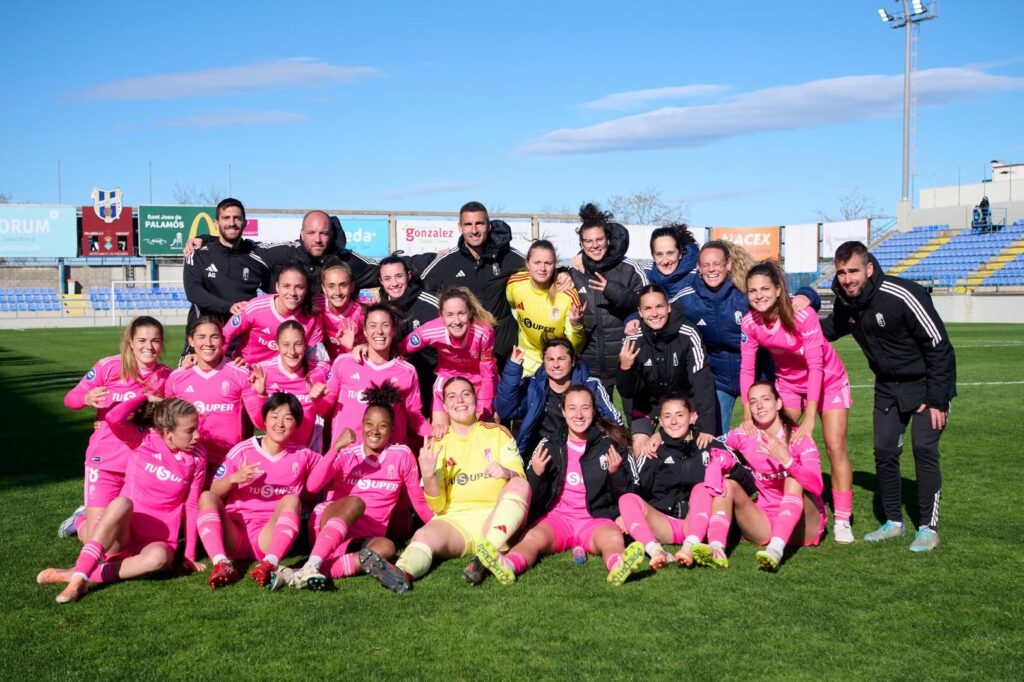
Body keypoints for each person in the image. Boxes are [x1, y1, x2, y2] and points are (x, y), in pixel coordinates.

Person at [822, 241, 956, 552]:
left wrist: (937, 398)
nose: (847, 278)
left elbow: (939, 347)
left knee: (923, 449)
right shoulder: (846, 300)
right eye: (841, 272)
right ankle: (893, 522)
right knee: (884, 451)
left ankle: (928, 527)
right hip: (887, 385)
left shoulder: (902, 295)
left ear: (868, 268)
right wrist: (794, 326)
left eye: (853, 270)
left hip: (925, 385)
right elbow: (832, 327)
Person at [358, 377, 531, 594]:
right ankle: (400, 572)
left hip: (494, 519)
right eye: (452, 396)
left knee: (519, 486)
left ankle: (485, 553)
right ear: (446, 407)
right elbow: (438, 506)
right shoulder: (437, 442)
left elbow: (520, 479)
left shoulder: (497, 433)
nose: (460, 400)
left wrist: (506, 472)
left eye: (466, 393)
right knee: (423, 535)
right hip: (456, 522)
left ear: (476, 400)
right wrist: (429, 475)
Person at [38, 396, 205, 603]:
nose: (197, 435)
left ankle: (70, 574)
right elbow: (113, 417)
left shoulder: (198, 458)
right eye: (189, 431)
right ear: (168, 433)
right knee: (121, 503)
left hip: (155, 542)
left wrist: (189, 554)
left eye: (196, 428)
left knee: (159, 560)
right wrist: (143, 396)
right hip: (123, 534)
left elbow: (191, 505)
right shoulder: (143, 441)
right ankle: (77, 580)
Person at [474, 385, 645, 586]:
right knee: (532, 538)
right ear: (563, 412)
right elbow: (534, 498)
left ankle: (619, 565)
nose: (579, 415)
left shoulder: (610, 445)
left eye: (585, 408)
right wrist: (537, 474)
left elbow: (630, 494)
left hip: (595, 519)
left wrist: (615, 474)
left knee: (612, 538)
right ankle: (508, 565)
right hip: (558, 519)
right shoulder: (550, 444)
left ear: (593, 410)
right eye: (572, 408)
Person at [270, 384, 435, 590]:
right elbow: (312, 486)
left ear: (392, 430)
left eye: (382, 426)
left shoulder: (402, 455)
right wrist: (335, 448)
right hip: (327, 524)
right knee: (356, 503)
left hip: (363, 537)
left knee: (387, 547)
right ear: (362, 424)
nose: (374, 431)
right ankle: (312, 564)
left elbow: (417, 500)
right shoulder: (348, 453)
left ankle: (297, 574)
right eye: (369, 424)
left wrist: (438, 526)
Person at [740, 260, 855, 544]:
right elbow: (746, 369)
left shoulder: (803, 315)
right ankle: (790, 504)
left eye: (765, 288)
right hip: (789, 385)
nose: (758, 295)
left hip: (828, 380)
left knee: (834, 445)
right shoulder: (749, 322)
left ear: (779, 290)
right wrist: (746, 413)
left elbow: (816, 366)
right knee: (784, 444)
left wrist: (810, 416)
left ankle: (842, 519)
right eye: (752, 291)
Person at [58, 316, 172, 542]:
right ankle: (79, 520)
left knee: (132, 538)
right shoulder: (108, 366)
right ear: (130, 341)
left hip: (141, 464)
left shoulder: (167, 376)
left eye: (155, 341)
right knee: (99, 541)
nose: (148, 347)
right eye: (141, 340)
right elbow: (70, 399)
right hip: (105, 461)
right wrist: (87, 397)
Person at [695, 381, 827, 572]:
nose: (759, 406)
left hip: (804, 526)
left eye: (765, 399)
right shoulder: (745, 435)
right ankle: (716, 548)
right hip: (764, 522)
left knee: (793, 479)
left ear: (778, 403)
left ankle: (775, 549)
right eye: (753, 401)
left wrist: (788, 461)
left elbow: (817, 487)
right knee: (729, 485)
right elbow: (712, 444)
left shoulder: (800, 438)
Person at [617, 392, 756, 569]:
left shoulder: (710, 445)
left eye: (679, 415)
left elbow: (749, 484)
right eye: (667, 416)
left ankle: (690, 546)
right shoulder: (653, 450)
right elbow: (636, 488)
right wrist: (626, 514)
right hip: (665, 523)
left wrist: (731, 468)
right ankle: (656, 551)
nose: (673, 421)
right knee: (626, 500)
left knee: (701, 488)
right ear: (661, 420)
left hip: (700, 523)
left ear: (692, 418)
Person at [200, 392, 321, 588]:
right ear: (264, 420)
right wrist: (234, 479)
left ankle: (270, 563)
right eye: (274, 416)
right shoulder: (242, 450)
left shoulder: (304, 455)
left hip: (269, 535)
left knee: (292, 500)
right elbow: (214, 490)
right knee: (206, 496)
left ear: (296, 424)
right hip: (236, 533)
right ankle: (221, 563)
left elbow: (330, 472)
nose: (280, 423)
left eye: (288, 418)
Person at [419, 202, 525, 367]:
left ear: (488, 226)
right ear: (460, 228)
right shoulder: (447, 263)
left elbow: (539, 268)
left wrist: (562, 274)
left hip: (504, 353)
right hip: (465, 355)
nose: (474, 230)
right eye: (468, 224)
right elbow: (421, 294)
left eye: (479, 224)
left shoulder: (508, 257)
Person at [313, 304, 432, 448]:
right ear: (365, 331)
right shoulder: (344, 363)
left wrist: (434, 433)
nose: (379, 331)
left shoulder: (407, 372)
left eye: (385, 325)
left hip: (388, 460)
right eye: (373, 325)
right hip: (347, 457)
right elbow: (323, 409)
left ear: (393, 330)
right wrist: (317, 399)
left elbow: (414, 417)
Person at [617, 285, 717, 456]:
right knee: (640, 450)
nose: (654, 313)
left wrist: (706, 427)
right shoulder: (633, 338)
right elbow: (627, 392)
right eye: (648, 308)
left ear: (669, 307)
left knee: (692, 451)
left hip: (682, 403)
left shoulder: (688, 333)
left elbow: (702, 382)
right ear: (640, 312)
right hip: (648, 406)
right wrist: (625, 367)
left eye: (659, 306)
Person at [568, 203, 648, 402]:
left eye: (599, 239)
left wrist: (611, 290)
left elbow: (646, 303)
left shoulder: (629, 268)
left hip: (628, 360)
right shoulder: (575, 272)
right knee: (599, 424)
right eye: (588, 241)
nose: (594, 245)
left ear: (608, 239)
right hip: (591, 364)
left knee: (635, 424)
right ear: (581, 244)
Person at [496, 337, 621, 459]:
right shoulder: (533, 386)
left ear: (572, 362)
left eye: (561, 359)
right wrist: (513, 368)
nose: (556, 364)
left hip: (581, 453)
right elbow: (505, 410)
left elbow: (614, 419)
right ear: (543, 362)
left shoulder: (590, 386)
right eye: (550, 359)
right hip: (540, 455)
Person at [396, 287, 498, 434]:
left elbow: (488, 374)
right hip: (447, 380)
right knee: (440, 434)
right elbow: (401, 349)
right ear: (441, 316)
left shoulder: (484, 332)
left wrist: (485, 410)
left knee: (484, 432)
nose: (456, 321)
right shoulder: (430, 330)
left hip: (479, 382)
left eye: (461, 313)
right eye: (449, 315)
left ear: (469, 313)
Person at [181, 198, 269, 359]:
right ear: (216, 223)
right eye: (226, 218)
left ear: (245, 223)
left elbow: (274, 291)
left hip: (242, 349)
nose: (232, 222)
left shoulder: (256, 255)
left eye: (237, 218)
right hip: (203, 344)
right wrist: (228, 307)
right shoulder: (198, 254)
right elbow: (193, 292)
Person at [165, 317, 251, 478]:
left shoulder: (241, 373)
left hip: (230, 461)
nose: (208, 343)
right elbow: (168, 423)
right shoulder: (176, 378)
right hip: (190, 460)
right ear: (191, 341)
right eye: (201, 337)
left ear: (223, 340)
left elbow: (255, 420)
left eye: (214, 337)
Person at [243, 321, 329, 451]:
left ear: (305, 345)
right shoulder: (262, 371)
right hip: (276, 453)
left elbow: (327, 412)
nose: (292, 351)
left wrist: (317, 400)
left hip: (309, 452)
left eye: (298, 344)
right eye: (286, 345)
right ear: (277, 346)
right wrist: (262, 395)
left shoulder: (320, 370)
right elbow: (260, 424)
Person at [505, 240, 586, 377]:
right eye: (537, 262)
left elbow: (575, 346)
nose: (542, 268)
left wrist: (576, 325)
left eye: (548, 263)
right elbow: (513, 305)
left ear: (555, 265)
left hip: (556, 363)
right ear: (527, 263)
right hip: (526, 360)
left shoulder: (567, 295)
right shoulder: (515, 284)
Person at [221, 264, 326, 368]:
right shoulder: (256, 307)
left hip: (283, 377)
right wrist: (223, 364)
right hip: (248, 371)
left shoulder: (312, 316)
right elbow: (225, 334)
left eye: (299, 287)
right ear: (277, 287)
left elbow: (315, 359)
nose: (292, 292)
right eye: (286, 286)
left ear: (306, 289)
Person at [377, 254, 440, 415]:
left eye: (399, 276)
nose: (394, 283)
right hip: (397, 386)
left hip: (430, 383)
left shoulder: (431, 305)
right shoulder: (379, 309)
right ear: (381, 281)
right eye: (388, 278)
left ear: (409, 276)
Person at [316, 259, 365, 363]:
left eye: (343, 285)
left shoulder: (362, 311)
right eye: (331, 286)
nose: (337, 292)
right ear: (324, 288)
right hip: (328, 367)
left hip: (357, 365)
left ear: (352, 286)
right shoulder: (316, 304)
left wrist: (357, 347)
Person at [644, 223, 699, 298]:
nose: (665, 261)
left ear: (680, 253)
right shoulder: (644, 274)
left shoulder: (697, 276)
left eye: (670, 253)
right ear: (653, 255)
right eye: (659, 254)